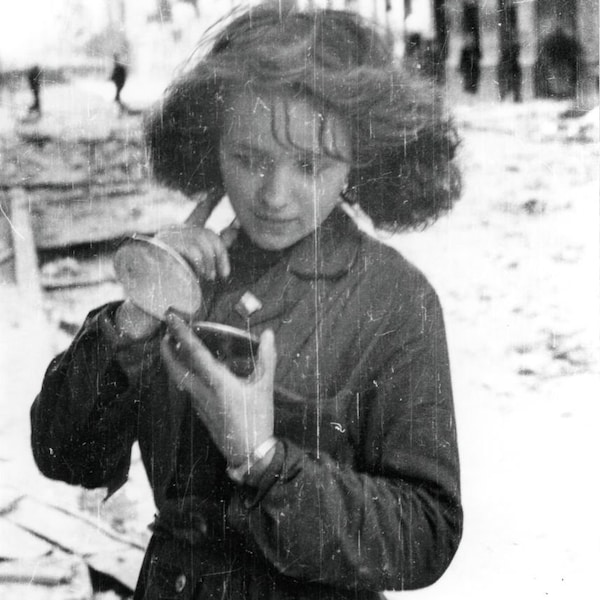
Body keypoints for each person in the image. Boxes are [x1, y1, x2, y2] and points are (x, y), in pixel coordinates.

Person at [31, 5, 463, 599]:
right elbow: (67, 458)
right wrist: (135, 317)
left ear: (359, 159)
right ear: (212, 148)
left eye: (311, 165)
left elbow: (428, 534)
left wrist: (263, 461)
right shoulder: (183, 273)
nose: (275, 196)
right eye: (250, 158)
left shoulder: (395, 301)